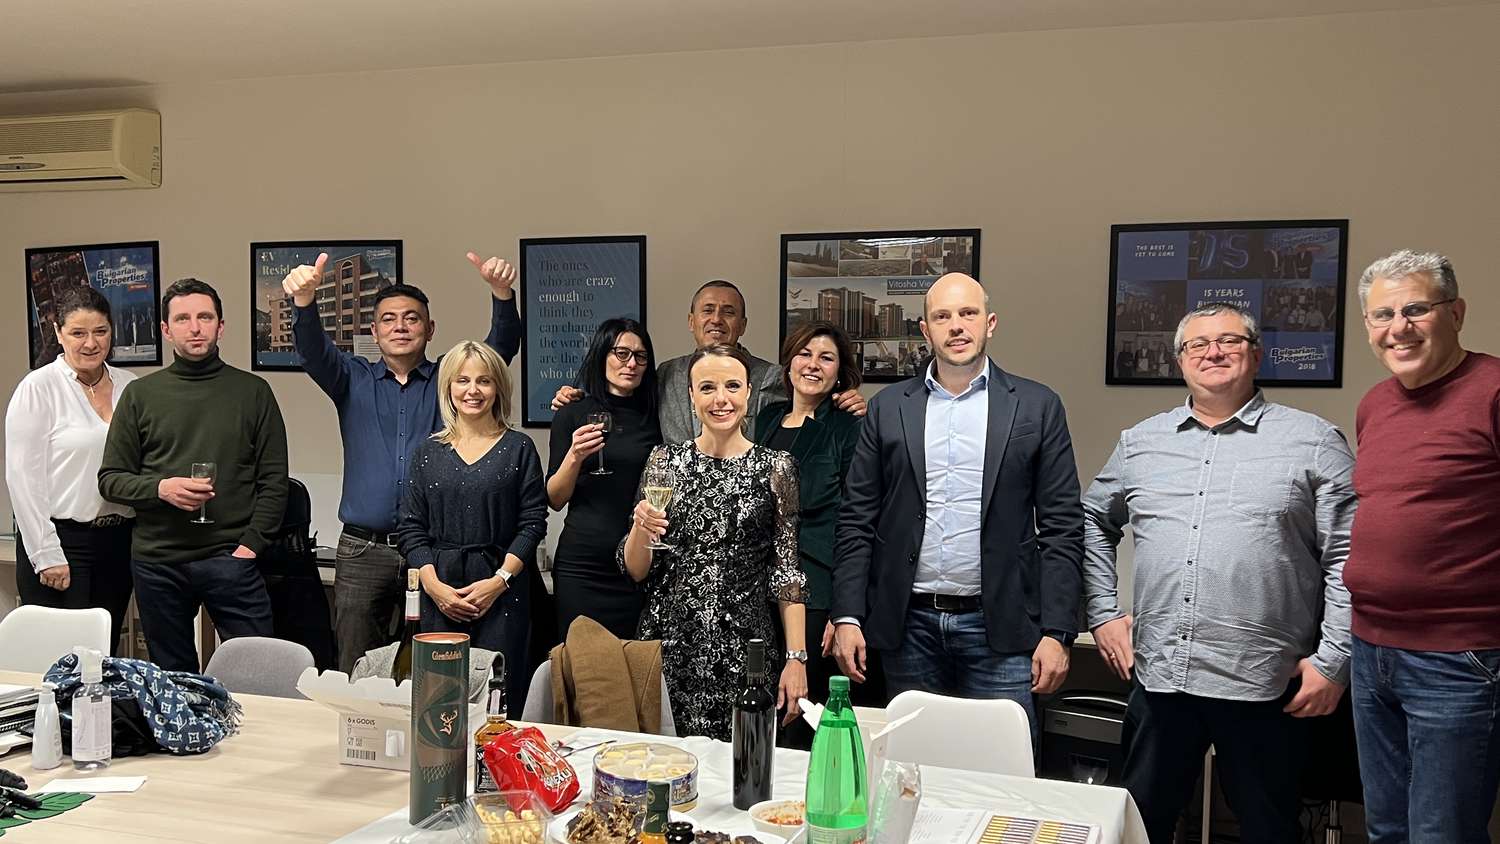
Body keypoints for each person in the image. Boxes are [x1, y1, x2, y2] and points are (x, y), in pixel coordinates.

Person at [1083, 302, 1356, 843]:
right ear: (1180, 360)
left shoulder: (1314, 441)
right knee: (1141, 827)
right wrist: (1103, 613)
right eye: (1198, 344)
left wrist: (1334, 661)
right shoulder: (1141, 443)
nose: (1213, 352)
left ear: (1256, 354)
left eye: (1230, 341)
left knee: (1269, 830)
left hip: (1266, 682)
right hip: (1162, 676)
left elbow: (1350, 555)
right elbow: (1092, 519)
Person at [831, 273, 1083, 736]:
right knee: (914, 764)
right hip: (909, 627)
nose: (956, 326)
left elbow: (1062, 526)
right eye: (942, 316)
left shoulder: (1037, 406)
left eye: (968, 313)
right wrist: (847, 615)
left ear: (990, 323)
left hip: (1002, 628)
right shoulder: (888, 407)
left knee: (1001, 766)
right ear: (925, 331)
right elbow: (857, 518)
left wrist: (1058, 631)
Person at [280, 252, 520, 673]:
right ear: (374, 331)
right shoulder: (350, 378)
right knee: (356, 666)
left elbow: (496, 352)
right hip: (363, 551)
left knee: (434, 667)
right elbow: (313, 351)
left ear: (430, 329)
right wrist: (304, 301)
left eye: (412, 318)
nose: (401, 326)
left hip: (432, 552)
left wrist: (502, 295)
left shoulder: (449, 383)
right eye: (389, 319)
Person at [1343, 250, 1500, 843]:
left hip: (1458, 658)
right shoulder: (1375, 405)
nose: (1398, 328)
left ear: (1455, 313)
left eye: (1416, 309)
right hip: (1371, 650)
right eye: (1382, 315)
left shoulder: (1492, 391)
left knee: (1442, 834)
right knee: (1385, 828)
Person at [619, 343, 808, 741]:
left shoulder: (776, 468)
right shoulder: (664, 462)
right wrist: (640, 528)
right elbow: (636, 570)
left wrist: (797, 658)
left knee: (744, 764)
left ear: (748, 392)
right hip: (669, 645)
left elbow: (787, 572)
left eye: (732, 386)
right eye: (707, 388)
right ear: (691, 395)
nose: (721, 399)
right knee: (665, 764)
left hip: (747, 651)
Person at [99, 279, 288, 673]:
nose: (195, 327)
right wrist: (160, 488)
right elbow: (111, 479)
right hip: (158, 562)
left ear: (221, 326)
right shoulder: (140, 395)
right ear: (166, 330)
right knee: (174, 681)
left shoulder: (253, 392)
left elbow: (274, 480)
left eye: (205, 317)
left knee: (258, 673)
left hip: (231, 558)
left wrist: (250, 546)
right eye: (183, 319)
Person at [396, 340, 546, 712]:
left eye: (484, 381)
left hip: (503, 592)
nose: (473, 390)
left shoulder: (519, 448)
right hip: (440, 591)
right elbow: (411, 527)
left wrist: (499, 582)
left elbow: (532, 523)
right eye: (462, 380)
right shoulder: (427, 452)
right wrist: (434, 587)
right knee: (438, 703)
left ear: (498, 388)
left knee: (500, 701)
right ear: (448, 387)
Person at [753, 321, 873, 745]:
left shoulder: (848, 425)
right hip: (759, 586)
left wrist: (842, 610)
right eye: (805, 353)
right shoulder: (767, 419)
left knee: (800, 717)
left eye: (826, 358)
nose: (813, 364)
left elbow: (858, 519)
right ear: (789, 362)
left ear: (840, 373)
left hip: (816, 589)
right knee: (760, 710)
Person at [553, 280, 865, 442]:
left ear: (743, 325)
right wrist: (579, 397)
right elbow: (623, 397)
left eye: (728, 312)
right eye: (707, 310)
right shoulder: (666, 374)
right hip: (674, 510)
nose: (717, 319)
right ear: (691, 321)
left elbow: (811, 402)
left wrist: (843, 399)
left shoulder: (772, 377)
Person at [6, 286, 137, 654]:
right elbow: (22, 478)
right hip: (62, 542)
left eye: (100, 331)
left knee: (103, 655)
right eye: (78, 332)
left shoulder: (130, 387)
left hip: (119, 541)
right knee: (61, 661)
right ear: (58, 332)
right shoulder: (38, 388)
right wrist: (46, 554)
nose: (90, 343)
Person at [547, 318, 662, 640]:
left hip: (637, 561)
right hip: (582, 565)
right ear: (602, 355)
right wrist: (574, 455)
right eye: (621, 353)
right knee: (579, 660)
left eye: (640, 356)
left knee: (633, 662)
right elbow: (555, 499)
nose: (631, 363)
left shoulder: (656, 414)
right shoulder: (572, 411)